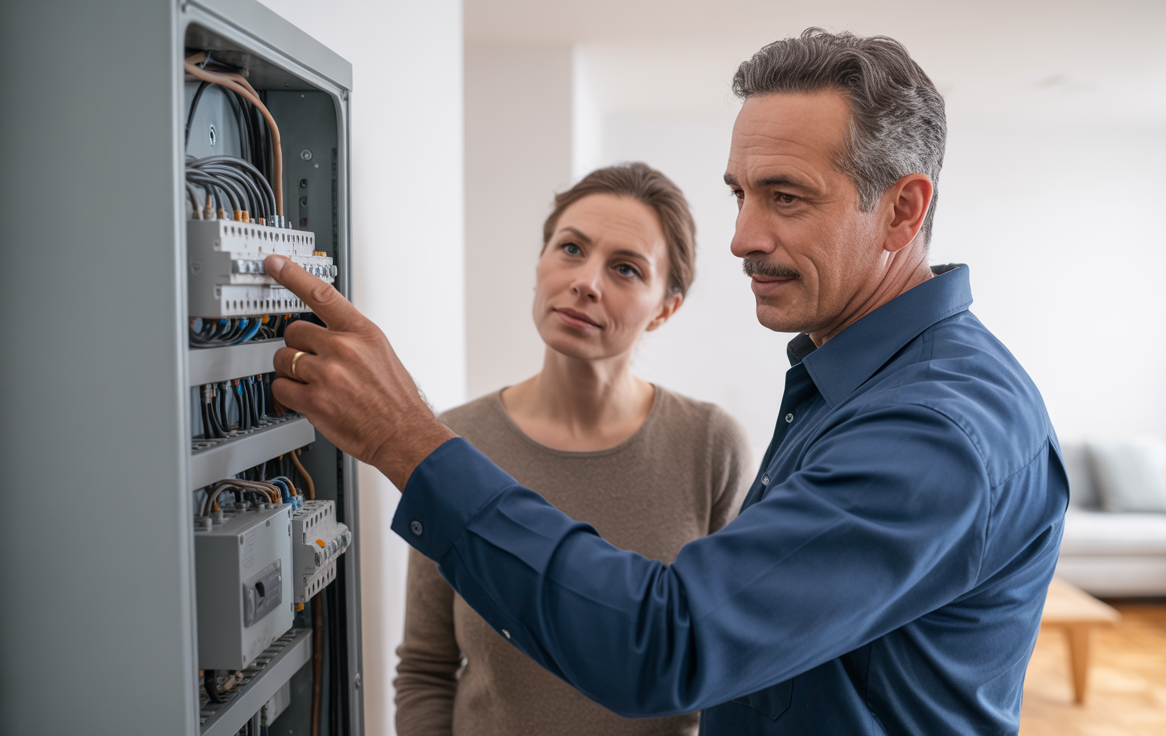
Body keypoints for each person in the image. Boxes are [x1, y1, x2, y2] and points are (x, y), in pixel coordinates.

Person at [264, 30, 1069, 735]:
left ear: (902, 211)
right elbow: (432, 669)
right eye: (740, 195)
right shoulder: (856, 384)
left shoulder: (933, 429)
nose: (744, 237)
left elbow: (671, 645)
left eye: (786, 198)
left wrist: (407, 441)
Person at [393, 163, 752, 736]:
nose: (586, 281)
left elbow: (731, 669)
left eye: (626, 268)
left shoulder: (711, 445)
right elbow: (426, 669)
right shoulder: (456, 442)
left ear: (665, 308)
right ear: (540, 263)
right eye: (571, 248)